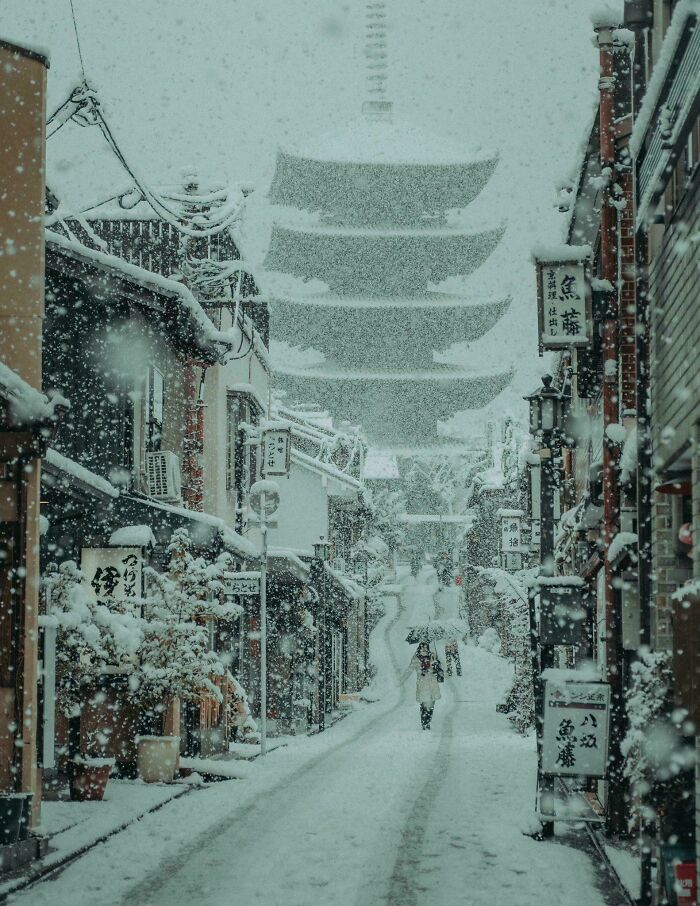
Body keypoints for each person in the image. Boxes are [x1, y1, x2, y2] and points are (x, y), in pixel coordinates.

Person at [404, 642, 442, 730]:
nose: (424, 649)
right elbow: (409, 670)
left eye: (425, 647)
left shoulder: (432, 656)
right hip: (422, 684)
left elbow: (439, 669)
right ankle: (425, 723)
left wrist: (436, 665)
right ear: (419, 648)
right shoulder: (416, 658)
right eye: (422, 647)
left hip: (432, 684)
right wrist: (421, 670)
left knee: (431, 705)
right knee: (424, 705)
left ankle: (427, 722)